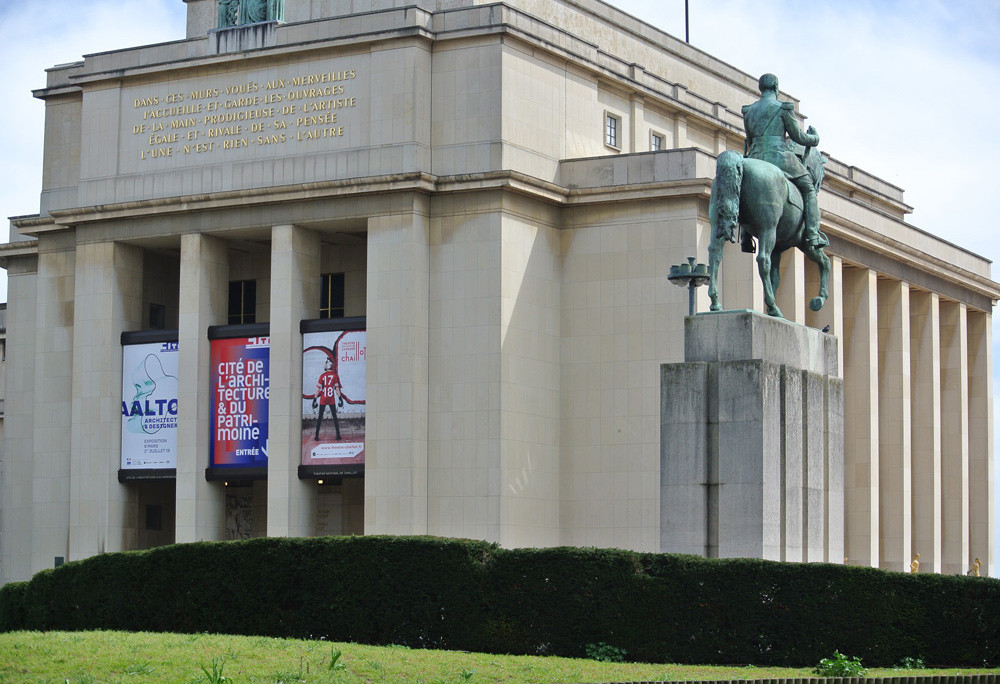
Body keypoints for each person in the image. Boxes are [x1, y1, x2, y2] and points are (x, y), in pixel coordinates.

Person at [741, 73, 826, 250]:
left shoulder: (749, 111)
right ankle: (812, 234)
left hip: (755, 156)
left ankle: (745, 236)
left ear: (761, 88)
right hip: (779, 157)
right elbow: (798, 136)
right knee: (809, 190)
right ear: (777, 88)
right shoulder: (783, 108)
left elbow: (749, 140)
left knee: (743, 188)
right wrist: (815, 139)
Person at [312, 357, 343, 441]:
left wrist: (314, 399)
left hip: (323, 399)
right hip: (331, 399)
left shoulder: (322, 376)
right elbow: (337, 389)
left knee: (320, 417)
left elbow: (318, 389)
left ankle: (316, 436)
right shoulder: (334, 376)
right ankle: (338, 435)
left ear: (327, 366)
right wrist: (340, 398)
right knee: (335, 417)